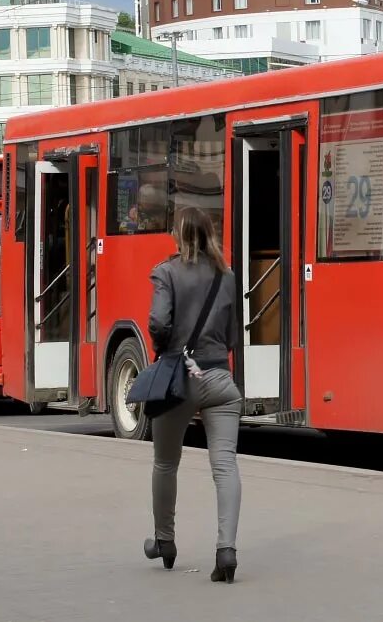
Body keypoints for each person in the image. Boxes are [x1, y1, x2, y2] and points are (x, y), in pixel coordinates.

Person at [143, 207, 242, 584]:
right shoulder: (226, 276)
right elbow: (232, 336)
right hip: (219, 380)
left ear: (178, 235)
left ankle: (165, 541)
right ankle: (226, 550)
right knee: (226, 466)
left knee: (166, 463)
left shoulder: (166, 272)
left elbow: (157, 321)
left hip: (178, 380)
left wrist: (166, 345)